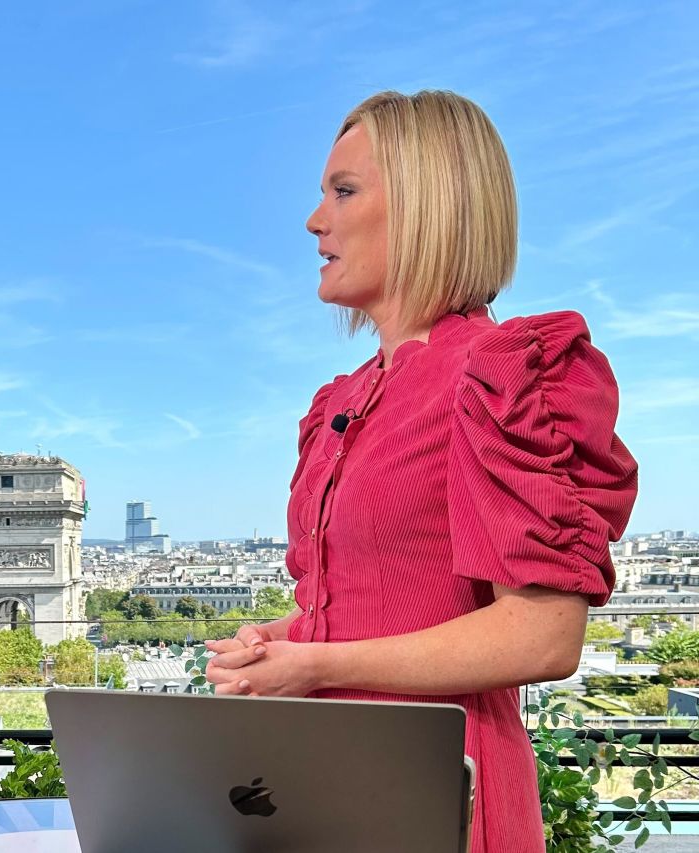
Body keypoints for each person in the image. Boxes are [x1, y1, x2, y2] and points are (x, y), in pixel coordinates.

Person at [205, 90, 637, 852]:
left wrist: (314, 664)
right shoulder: (348, 397)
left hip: (444, 790)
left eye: (343, 191)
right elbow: (372, 602)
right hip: (331, 777)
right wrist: (282, 642)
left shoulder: (501, 378)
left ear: (426, 206)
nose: (314, 220)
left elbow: (543, 635)